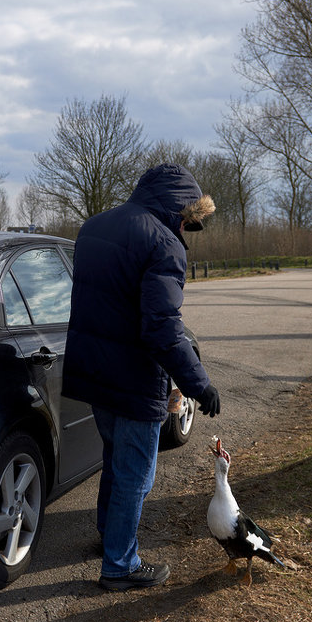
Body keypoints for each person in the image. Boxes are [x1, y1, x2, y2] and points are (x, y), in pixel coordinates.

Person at [63, 163, 221, 591]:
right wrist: (197, 384)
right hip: (133, 377)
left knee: (115, 460)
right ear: (181, 211)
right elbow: (162, 327)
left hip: (94, 369)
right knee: (136, 474)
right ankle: (120, 565)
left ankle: (108, 536)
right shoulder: (164, 243)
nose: (188, 232)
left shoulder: (94, 226)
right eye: (190, 223)